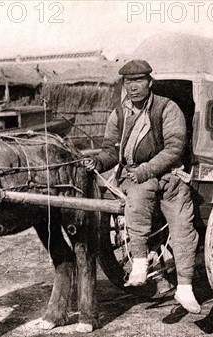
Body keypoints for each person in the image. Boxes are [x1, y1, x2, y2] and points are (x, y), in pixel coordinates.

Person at [83, 59, 201, 314]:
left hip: (171, 178)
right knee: (137, 199)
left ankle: (185, 287)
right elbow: (110, 151)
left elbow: (174, 148)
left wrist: (147, 169)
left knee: (183, 227)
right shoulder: (120, 114)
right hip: (137, 180)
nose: (133, 87)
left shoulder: (167, 109)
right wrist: (97, 161)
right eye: (128, 82)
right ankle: (139, 263)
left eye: (138, 81)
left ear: (149, 82)